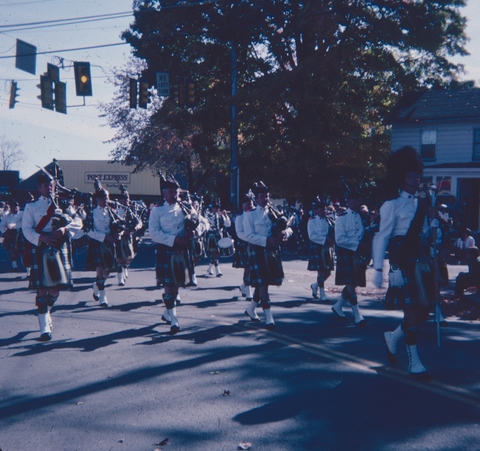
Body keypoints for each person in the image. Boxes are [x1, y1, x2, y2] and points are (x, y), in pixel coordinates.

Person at [373, 146, 438, 381]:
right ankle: (415, 363)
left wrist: (434, 227)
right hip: (402, 263)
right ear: (401, 178)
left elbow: (432, 239)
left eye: (417, 173)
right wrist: (379, 268)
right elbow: (382, 237)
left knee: (422, 313)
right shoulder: (392, 205)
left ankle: (393, 336)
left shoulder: (422, 205)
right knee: (412, 313)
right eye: (411, 175)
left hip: (421, 263)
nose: (416, 178)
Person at [22, 172, 82, 341]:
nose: (50, 188)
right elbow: (26, 229)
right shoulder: (31, 207)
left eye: (52, 185)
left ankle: (46, 309)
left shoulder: (63, 204)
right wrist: (41, 238)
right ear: (38, 188)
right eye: (46, 186)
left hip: (59, 245)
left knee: (55, 289)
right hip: (41, 247)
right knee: (41, 288)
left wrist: (64, 229)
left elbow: (78, 221)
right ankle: (44, 328)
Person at [149, 174, 195, 334]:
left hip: (182, 250)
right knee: (169, 286)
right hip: (166, 250)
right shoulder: (157, 211)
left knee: (175, 286)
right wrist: (174, 239)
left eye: (176, 192)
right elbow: (153, 233)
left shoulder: (186, 208)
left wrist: (195, 231)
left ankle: (167, 312)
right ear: (164, 194)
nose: (174, 195)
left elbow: (203, 222)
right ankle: (174, 320)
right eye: (170, 192)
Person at [243, 181, 292, 329]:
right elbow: (249, 236)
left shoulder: (275, 212)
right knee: (263, 284)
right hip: (258, 251)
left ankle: (251, 309)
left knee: (262, 283)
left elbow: (289, 228)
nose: (265, 199)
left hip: (272, 252)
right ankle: (269, 316)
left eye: (267, 196)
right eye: (262, 196)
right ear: (256, 199)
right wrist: (266, 240)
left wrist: (284, 234)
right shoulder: (250, 215)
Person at [331, 188, 368, 326]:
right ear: (348, 201)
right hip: (347, 253)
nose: (356, 202)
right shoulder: (342, 218)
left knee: (353, 282)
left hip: (358, 254)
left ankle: (338, 305)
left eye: (358, 199)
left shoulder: (361, 216)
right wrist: (358, 244)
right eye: (354, 200)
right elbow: (339, 239)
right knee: (351, 284)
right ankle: (357, 314)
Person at [85, 185, 123, 307]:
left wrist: (118, 234)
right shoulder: (92, 212)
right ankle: (103, 296)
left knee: (107, 273)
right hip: (97, 243)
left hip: (109, 244)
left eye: (107, 198)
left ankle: (96, 285)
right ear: (97, 199)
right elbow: (88, 230)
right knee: (100, 271)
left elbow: (120, 225)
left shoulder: (111, 212)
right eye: (103, 198)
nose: (105, 201)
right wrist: (103, 237)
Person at [307, 198, 334, 301]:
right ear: (316, 210)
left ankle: (315, 285)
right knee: (321, 271)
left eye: (324, 209)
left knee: (328, 272)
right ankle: (322, 293)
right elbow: (312, 236)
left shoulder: (328, 220)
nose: (323, 211)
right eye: (321, 209)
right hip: (318, 247)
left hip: (327, 248)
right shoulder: (312, 221)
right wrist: (325, 240)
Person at [115, 188, 142, 286]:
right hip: (119, 236)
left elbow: (139, 222)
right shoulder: (117, 210)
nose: (126, 201)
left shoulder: (132, 209)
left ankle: (125, 268)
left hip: (130, 236)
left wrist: (136, 227)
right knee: (119, 258)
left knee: (128, 258)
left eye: (127, 199)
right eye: (124, 199)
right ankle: (120, 279)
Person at [233, 191, 256, 301]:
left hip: (256, 243)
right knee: (248, 267)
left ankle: (243, 286)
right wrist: (250, 238)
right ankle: (248, 289)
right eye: (247, 203)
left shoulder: (256, 215)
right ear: (243, 205)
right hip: (245, 243)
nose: (250, 204)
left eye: (251, 202)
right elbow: (239, 233)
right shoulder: (240, 217)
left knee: (254, 267)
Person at [205, 201, 232, 277]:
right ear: (212, 208)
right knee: (215, 252)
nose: (217, 209)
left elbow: (228, 224)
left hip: (219, 236)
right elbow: (207, 225)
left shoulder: (221, 216)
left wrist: (225, 215)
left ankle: (210, 268)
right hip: (212, 236)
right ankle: (217, 270)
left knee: (217, 253)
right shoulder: (208, 215)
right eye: (215, 208)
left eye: (218, 208)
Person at [0, 200, 24, 272]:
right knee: (12, 251)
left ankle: (28, 270)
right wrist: (5, 232)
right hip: (11, 235)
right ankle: (15, 267)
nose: (15, 209)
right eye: (13, 207)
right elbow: (1, 226)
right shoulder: (7, 217)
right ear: (11, 208)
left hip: (22, 234)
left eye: (16, 207)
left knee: (24, 252)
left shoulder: (23, 215)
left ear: (19, 207)